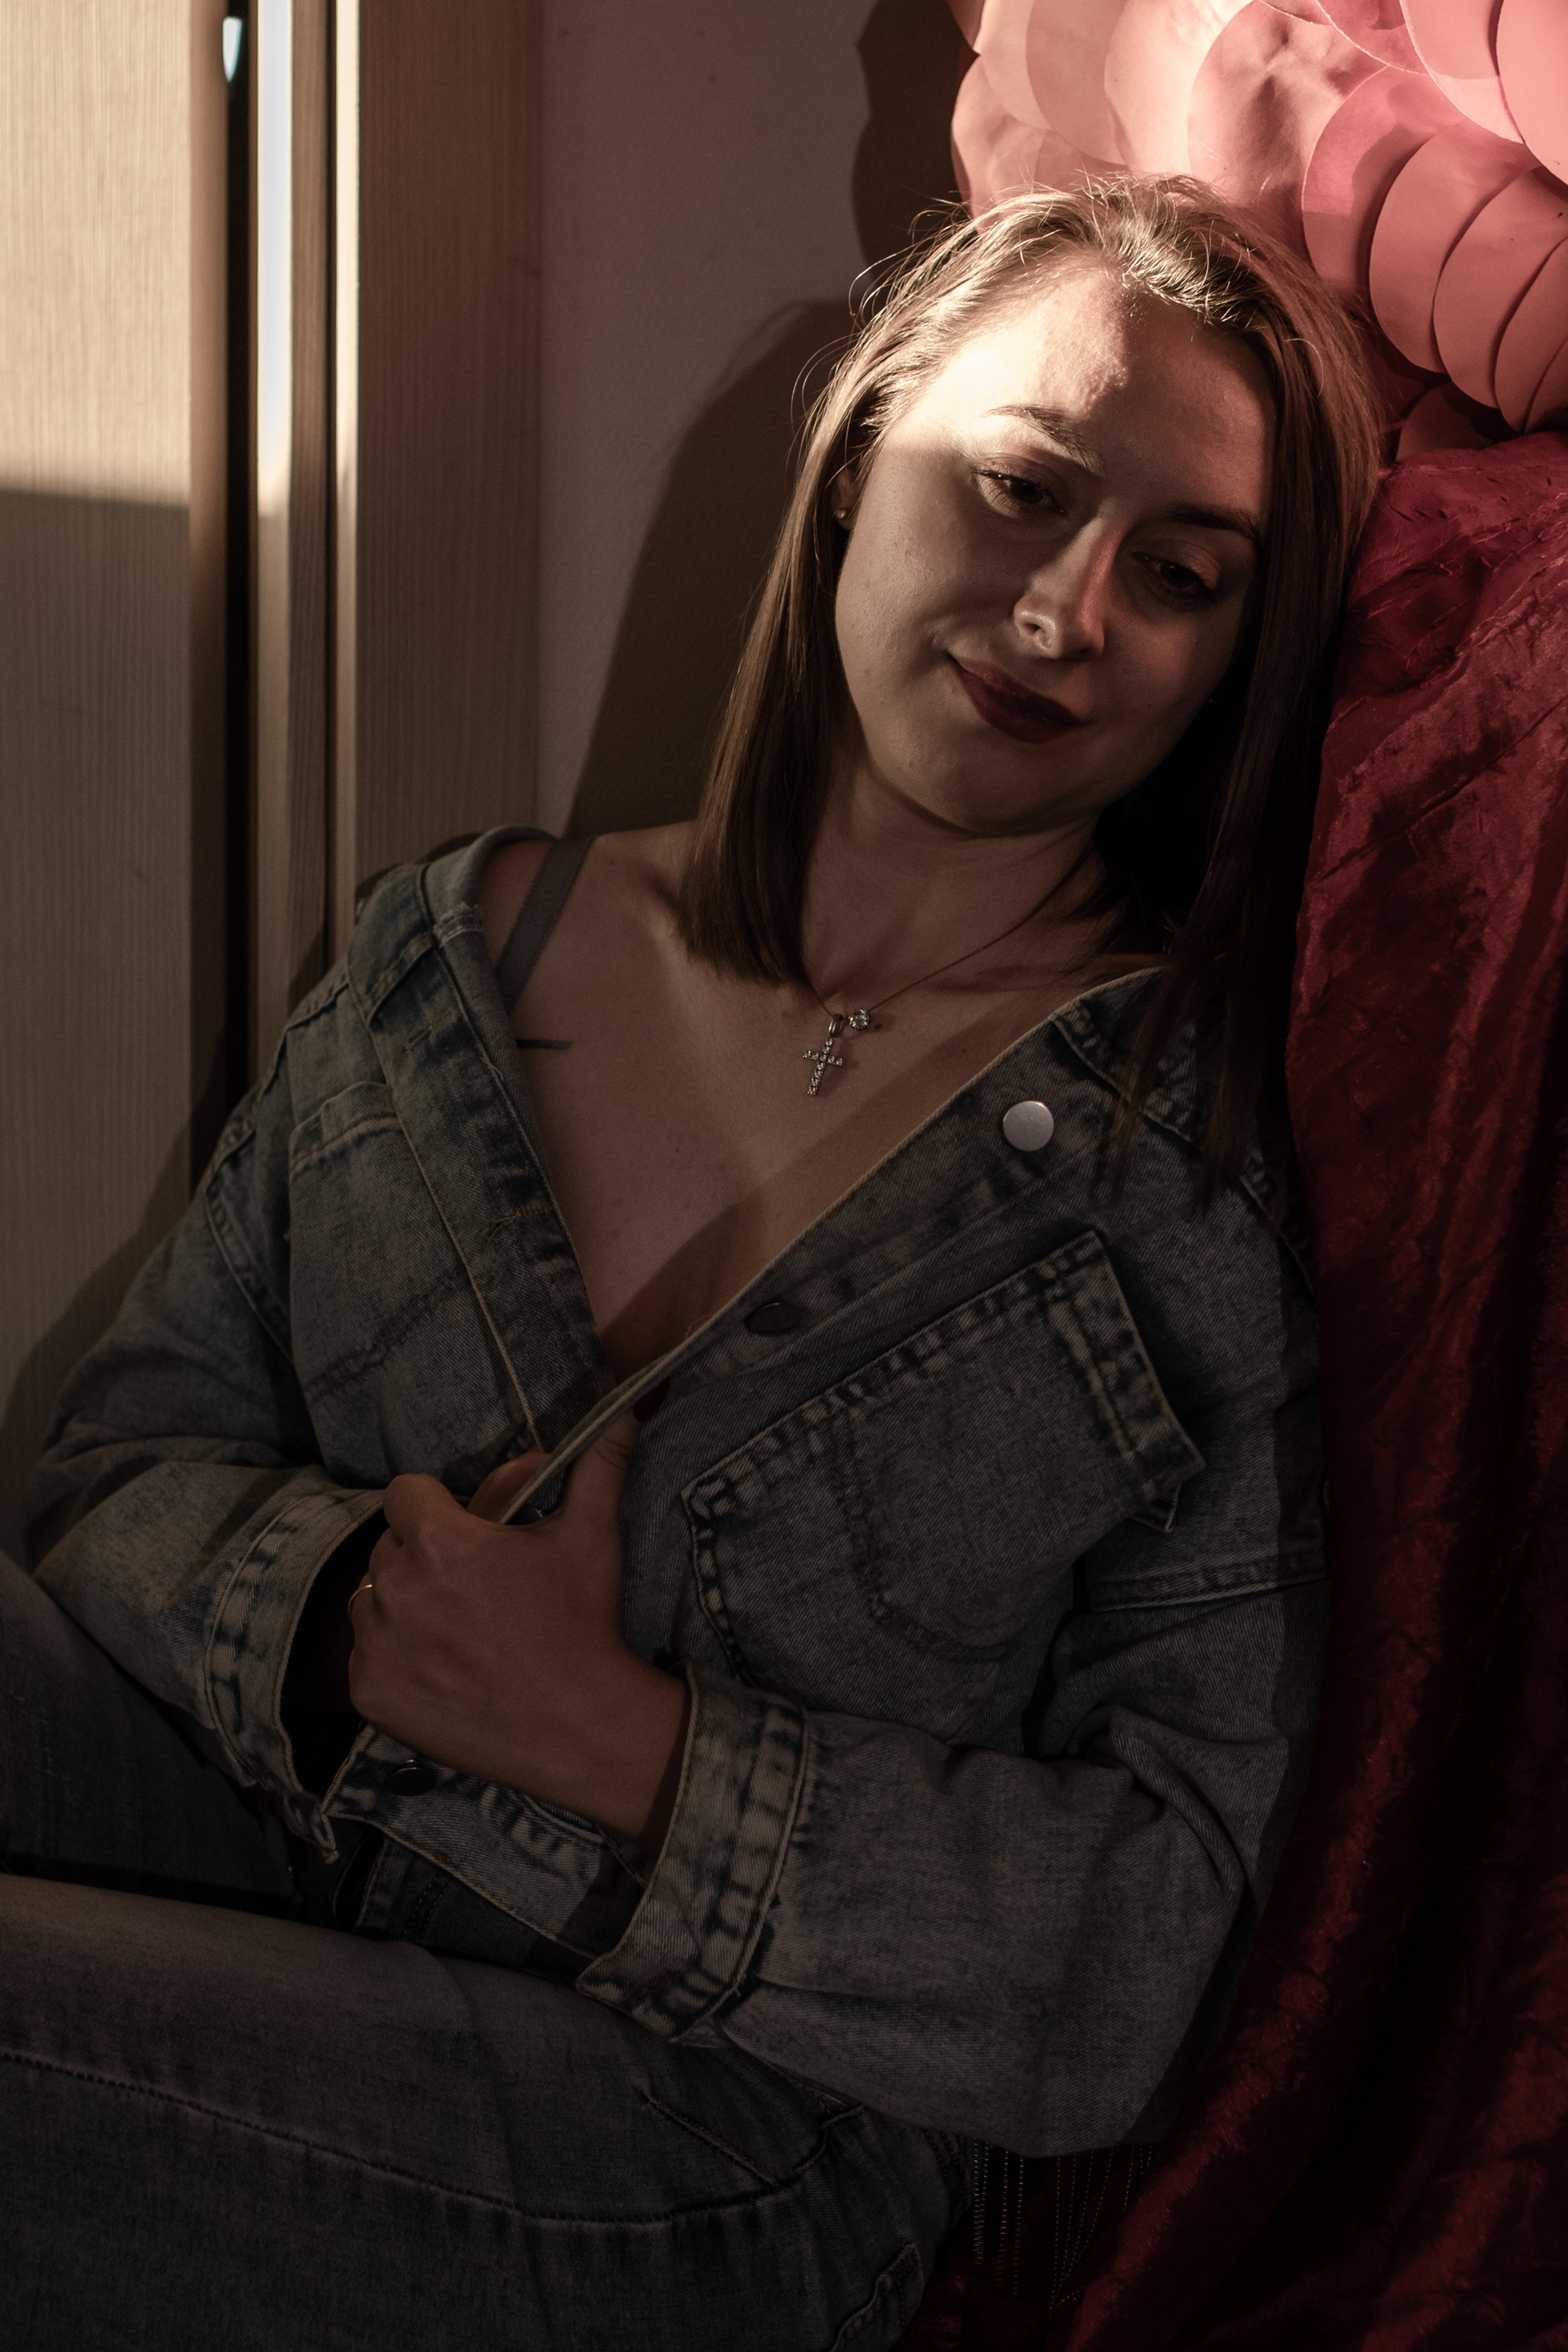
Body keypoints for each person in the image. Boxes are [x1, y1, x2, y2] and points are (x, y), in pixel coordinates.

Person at [2, 179, 1383, 2350]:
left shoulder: (1175, 1177)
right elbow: (113, 1476)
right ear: (855, 465)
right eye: (1023, 489)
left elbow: (1147, 1946)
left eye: (1181, 575)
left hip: (710, 2126)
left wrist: (617, 1743)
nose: (1066, 615)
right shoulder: (455, 955)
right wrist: (346, 1616)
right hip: (274, 1827)